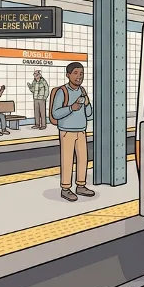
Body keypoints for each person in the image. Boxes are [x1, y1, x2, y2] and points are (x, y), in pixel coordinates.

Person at [51, 62, 95, 202]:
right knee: (67, 159)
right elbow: (55, 113)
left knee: (83, 159)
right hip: (66, 131)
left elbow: (90, 115)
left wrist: (87, 104)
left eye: (81, 73)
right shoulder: (62, 91)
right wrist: (71, 108)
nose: (79, 76)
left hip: (81, 131)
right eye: (75, 73)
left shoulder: (82, 91)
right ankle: (65, 188)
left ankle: (81, 186)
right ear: (68, 75)